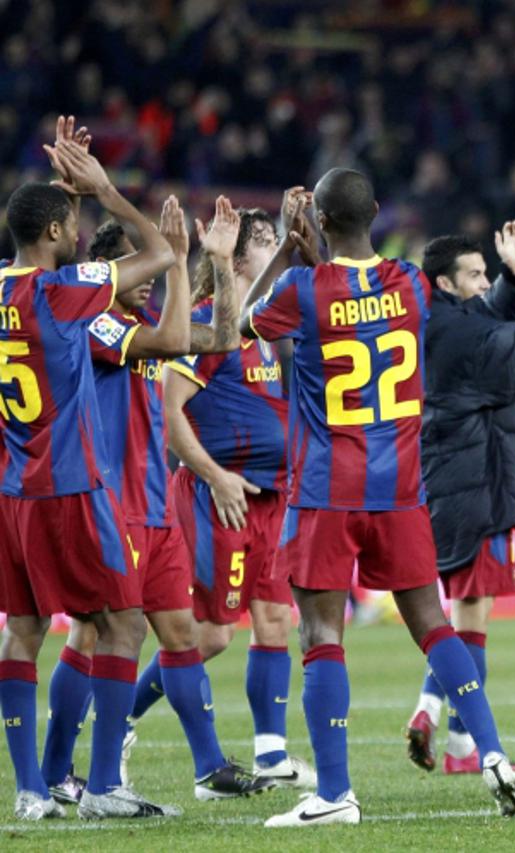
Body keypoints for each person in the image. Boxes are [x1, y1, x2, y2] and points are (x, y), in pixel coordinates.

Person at [242, 168, 515, 826]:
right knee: (433, 623)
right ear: (375, 209)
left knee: (320, 633)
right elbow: (365, 291)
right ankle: (491, 752)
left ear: (315, 219)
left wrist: (291, 246)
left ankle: (336, 793)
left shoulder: (302, 288)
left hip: (326, 489)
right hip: (400, 487)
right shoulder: (408, 282)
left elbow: (243, 322)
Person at [41, 198, 270, 805]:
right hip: (110, 504)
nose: (143, 284)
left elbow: (222, 336)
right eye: (135, 272)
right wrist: (175, 261)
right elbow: (173, 338)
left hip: (155, 505)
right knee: (93, 636)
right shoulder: (94, 325)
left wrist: (218, 264)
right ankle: (61, 775)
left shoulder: (141, 328)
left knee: (178, 634)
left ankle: (208, 766)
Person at [0, 118, 175, 820]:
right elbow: (161, 251)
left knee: (23, 629)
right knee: (123, 623)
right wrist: (107, 188)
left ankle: (29, 790)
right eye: (71, 223)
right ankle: (103, 784)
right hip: (69, 484)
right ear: (52, 231)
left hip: (10, 490)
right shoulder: (61, 291)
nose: (78, 233)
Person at [164, 191, 316, 790]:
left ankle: (271, 755)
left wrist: (293, 234)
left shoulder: (260, 329)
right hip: (219, 496)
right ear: (234, 252)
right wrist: (215, 474)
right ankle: (121, 715)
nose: (272, 251)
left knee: (276, 618)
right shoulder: (205, 322)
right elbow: (170, 412)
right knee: (211, 636)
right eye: (264, 242)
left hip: (271, 498)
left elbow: (277, 281)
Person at [403, 223, 515, 773]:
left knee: (463, 610)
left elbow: (488, 313)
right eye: (475, 275)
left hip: (449, 484)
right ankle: (456, 738)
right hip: (481, 487)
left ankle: (443, 724)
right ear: (447, 284)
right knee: (472, 619)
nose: (484, 283)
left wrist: (512, 283)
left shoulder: (441, 319)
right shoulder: (465, 337)